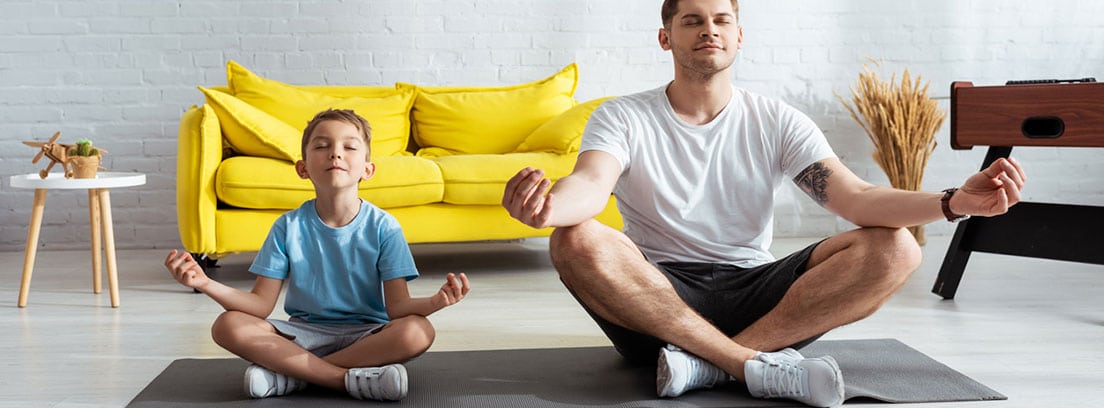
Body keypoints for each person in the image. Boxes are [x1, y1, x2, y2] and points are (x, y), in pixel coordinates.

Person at [501, 0, 1026, 406]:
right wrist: (548, 208)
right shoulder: (624, 116)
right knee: (575, 237)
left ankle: (708, 365)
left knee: (899, 251)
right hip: (658, 301)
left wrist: (952, 202)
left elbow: (856, 198)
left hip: (758, 291)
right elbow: (591, 184)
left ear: (738, 36)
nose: (709, 29)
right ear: (666, 38)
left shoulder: (777, 120)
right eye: (691, 20)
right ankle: (748, 363)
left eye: (722, 20)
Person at [165, 108, 471, 401]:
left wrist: (435, 302)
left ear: (368, 169)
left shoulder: (385, 227)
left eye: (349, 147)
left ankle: (292, 375)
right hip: (301, 333)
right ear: (303, 168)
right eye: (322, 146)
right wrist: (204, 282)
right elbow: (259, 306)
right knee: (227, 325)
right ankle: (340, 379)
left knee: (417, 331)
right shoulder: (287, 226)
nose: (335, 153)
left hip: (367, 334)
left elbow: (398, 308)